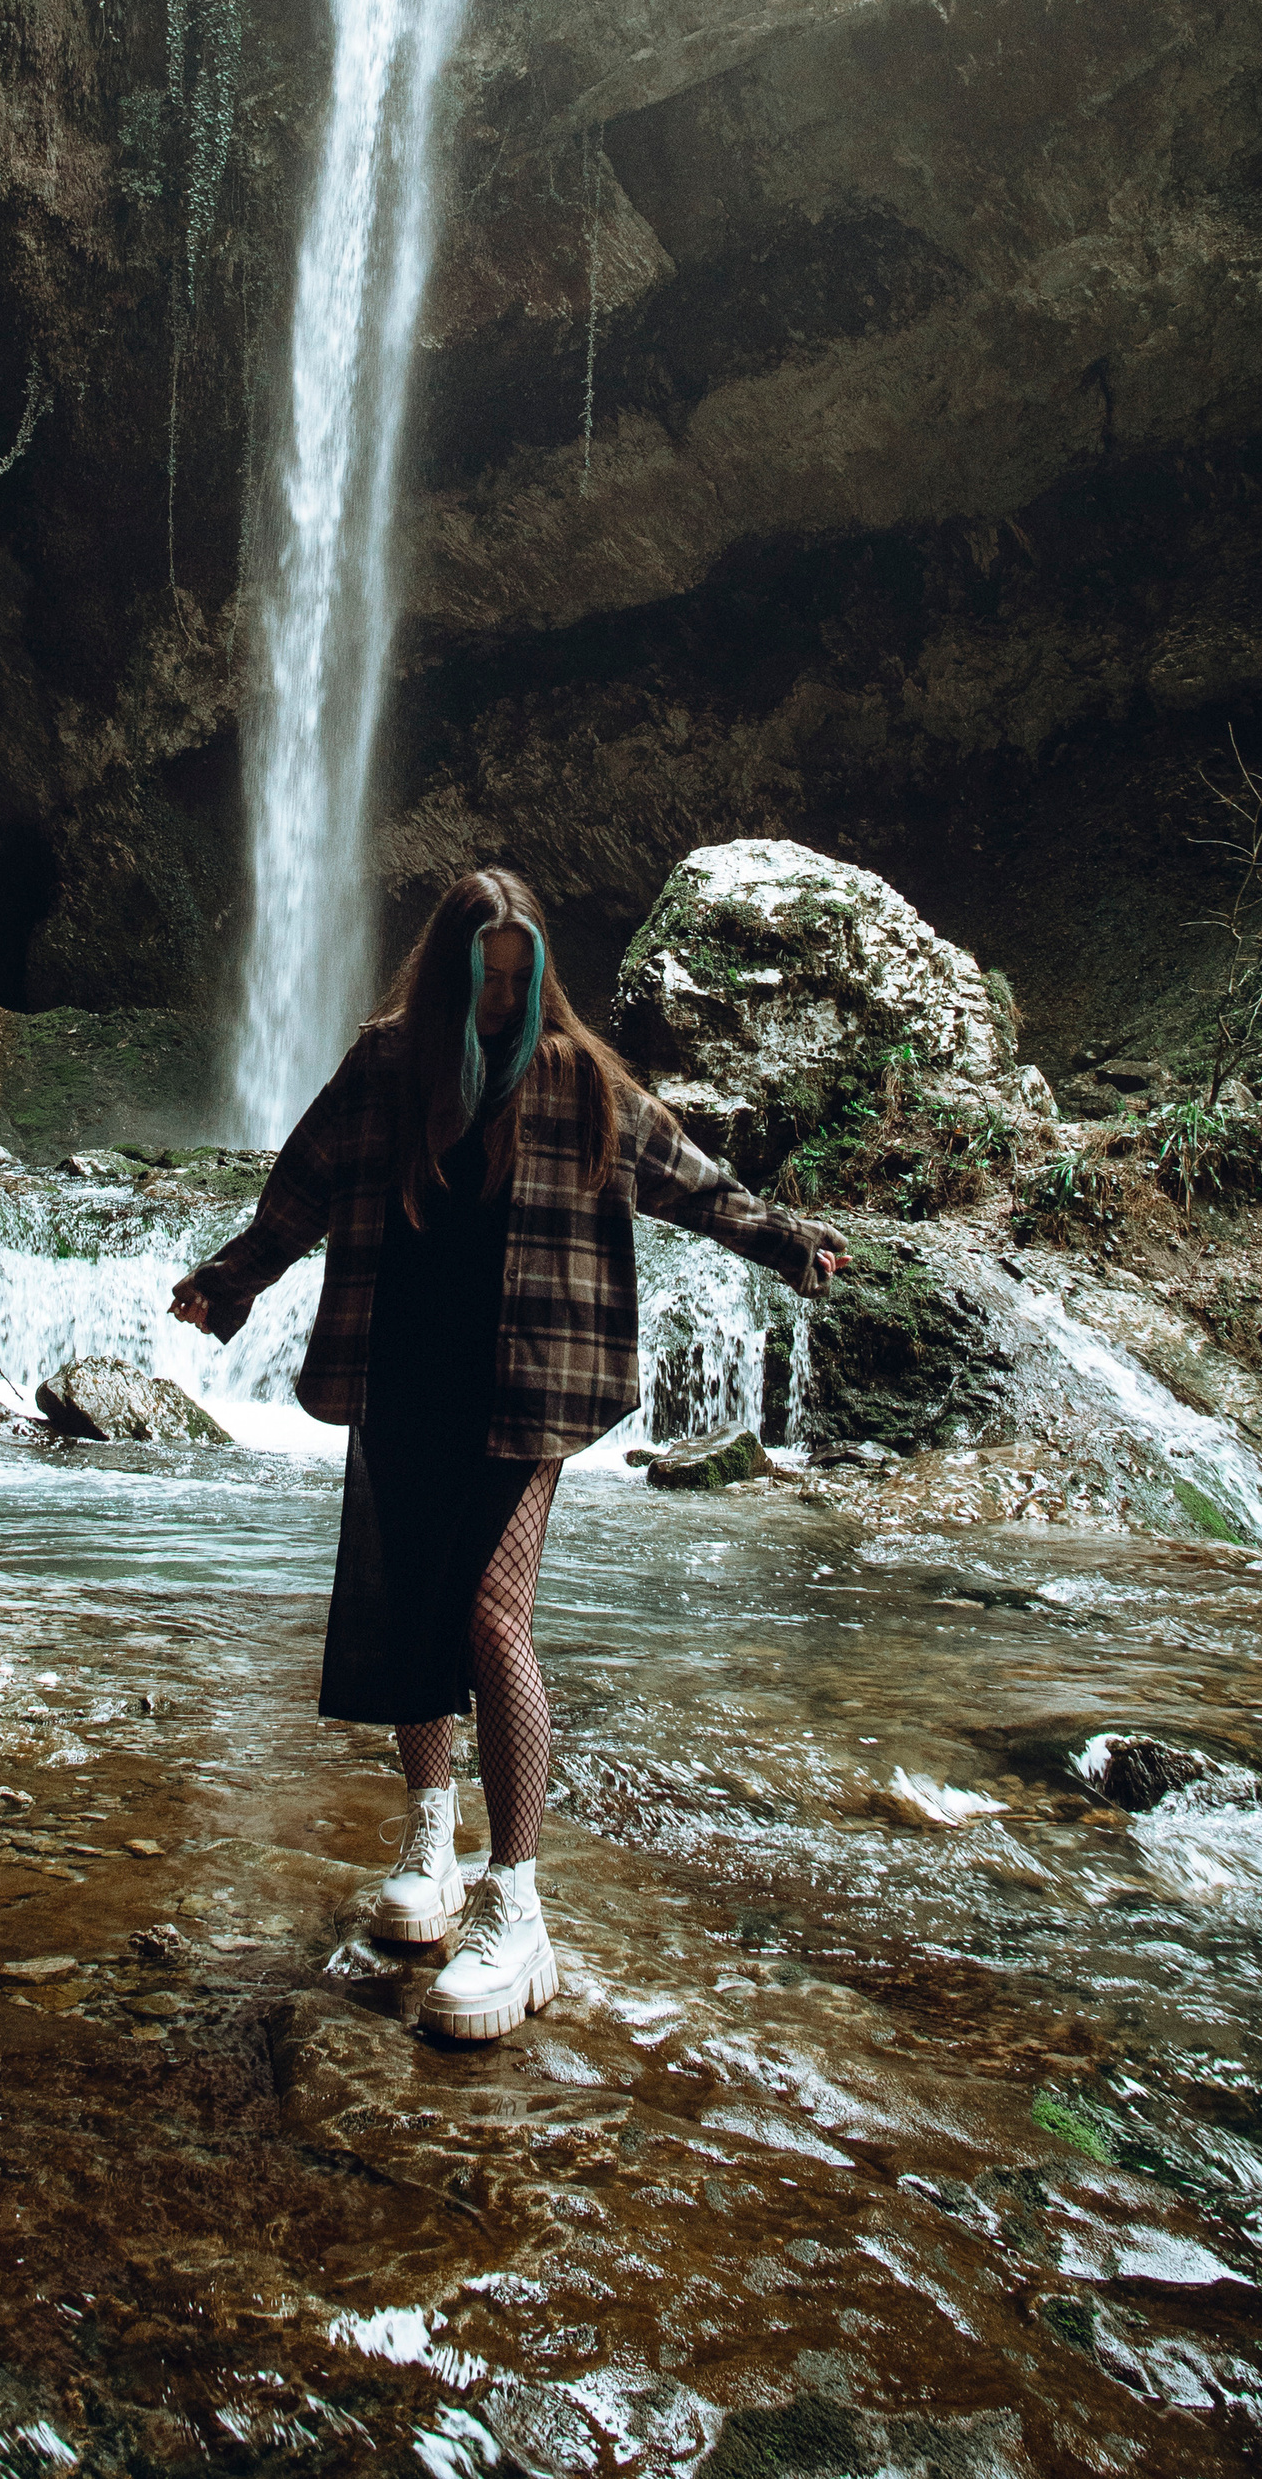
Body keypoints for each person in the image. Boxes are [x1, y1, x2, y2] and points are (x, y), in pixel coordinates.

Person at [170, 865, 846, 2044]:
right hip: (403, 1372)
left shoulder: (579, 1077)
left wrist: (788, 1242)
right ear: (444, 972)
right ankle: (430, 1837)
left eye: (515, 980)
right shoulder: (387, 1063)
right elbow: (305, 1182)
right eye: (480, 978)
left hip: (528, 1384)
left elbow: (689, 1180)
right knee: (411, 1606)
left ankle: (517, 1901)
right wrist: (228, 1281)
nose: (497, 1000)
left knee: (490, 1612)